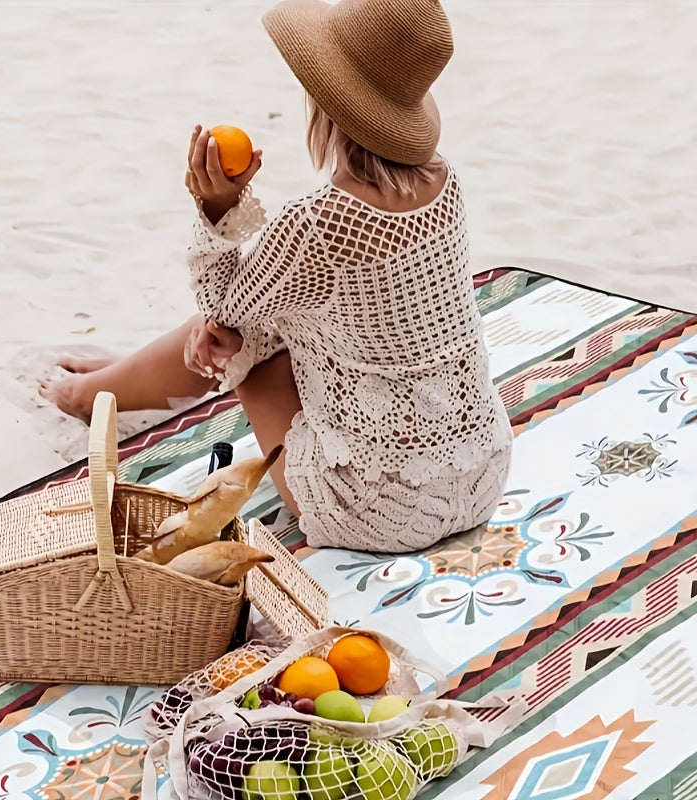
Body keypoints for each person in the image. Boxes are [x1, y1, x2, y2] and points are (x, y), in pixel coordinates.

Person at [40, 0, 513, 553]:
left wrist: (217, 206)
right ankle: (122, 376)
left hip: (381, 510)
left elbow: (220, 301)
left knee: (235, 342)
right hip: (480, 474)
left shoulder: (319, 220)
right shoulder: (443, 181)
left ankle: (88, 395)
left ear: (326, 98)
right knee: (260, 321)